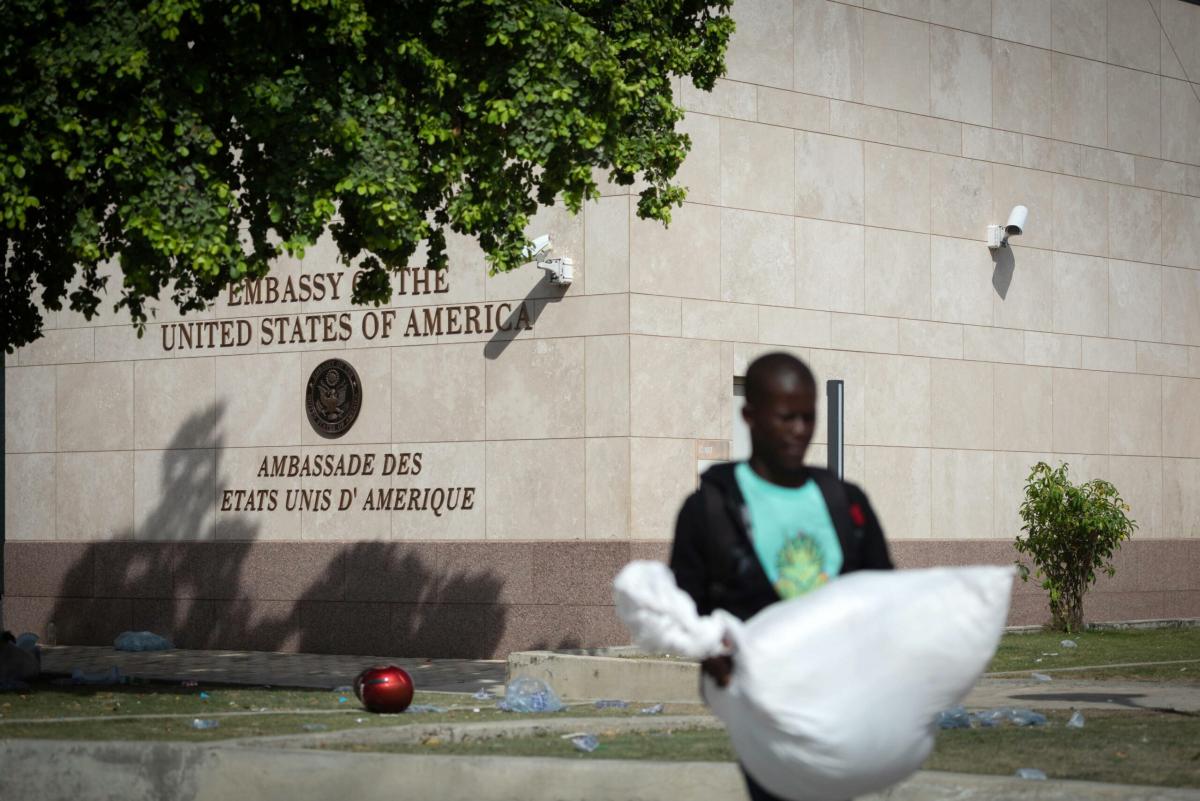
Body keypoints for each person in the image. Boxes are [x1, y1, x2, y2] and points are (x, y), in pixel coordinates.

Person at [669, 352, 893, 801]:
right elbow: (684, 607)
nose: (799, 431)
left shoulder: (845, 502)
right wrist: (711, 652)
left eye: (808, 418)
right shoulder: (710, 509)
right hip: (762, 708)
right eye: (786, 417)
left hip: (839, 701)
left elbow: (883, 593)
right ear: (750, 415)